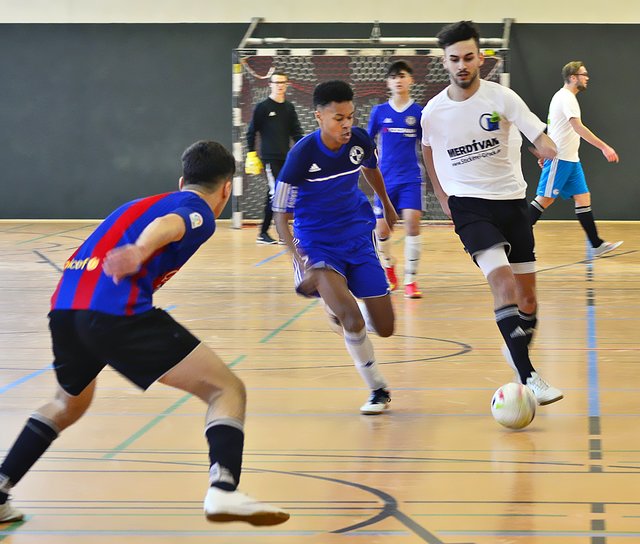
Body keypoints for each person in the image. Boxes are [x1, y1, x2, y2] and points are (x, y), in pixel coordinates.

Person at [0, 141, 289, 526]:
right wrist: (140, 250)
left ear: (182, 179)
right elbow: (172, 225)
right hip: (114, 311)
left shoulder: (139, 203)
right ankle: (223, 491)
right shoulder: (198, 208)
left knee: (67, 403)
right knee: (226, 389)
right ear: (225, 190)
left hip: (65, 310)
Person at [420, 20, 563, 405]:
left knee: (528, 300)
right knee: (503, 284)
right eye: (454, 59)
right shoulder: (433, 112)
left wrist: (548, 147)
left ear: (480, 58)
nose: (462, 65)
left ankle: (515, 352)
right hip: (469, 205)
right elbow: (428, 150)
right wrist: (442, 196)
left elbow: (539, 134)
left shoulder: (504, 99)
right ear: (444, 62)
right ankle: (529, 375)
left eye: (468, 57)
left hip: (512, 203)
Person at [272, 80, 399, 415]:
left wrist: (385, 204)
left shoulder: (358, 141)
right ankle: (377, 389)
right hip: (317, 244)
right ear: (319, 117)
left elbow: (371, 169)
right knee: (352, 319)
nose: (346, 124)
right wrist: (297, 257)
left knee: (385, 328)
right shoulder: (301, 156)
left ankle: (340, 306)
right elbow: (280, 214)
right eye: (338, 118)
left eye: (350, 117)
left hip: (358, 235)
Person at [529, 61, 622, 257]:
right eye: (583, 74)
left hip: (571, 160)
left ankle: (596, 244)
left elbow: (554, 128)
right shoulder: (566, 97)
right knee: (544, 200)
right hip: (560, 158)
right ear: (573, 78)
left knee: (583, 198)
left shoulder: (565, 97)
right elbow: (577, 127)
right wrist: (604, 147)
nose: (587, 77)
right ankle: (518, 239)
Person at [368, 60, 425, 299]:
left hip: (411, 178)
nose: (398, 80)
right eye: (393, 76)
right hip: (385, 179)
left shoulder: (419, 112)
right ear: (388, 83)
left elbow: (428, 144)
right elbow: (367, 142)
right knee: (382, 231)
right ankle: (388, 268)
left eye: (402, 76)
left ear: (410, 80)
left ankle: (411, 280)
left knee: (412, 223)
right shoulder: (379, 112)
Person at [245, 71, 303, 245]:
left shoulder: (289, 108)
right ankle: (279, 233)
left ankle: (263, 233)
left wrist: (306, 148)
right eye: (276, 82)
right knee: (277, 193)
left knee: (277, 194)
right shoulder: (263, 107)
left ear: (286, 85)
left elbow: (296, 132)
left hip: (286, 158)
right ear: (270, 84)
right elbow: (251, 131)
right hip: (269, 158)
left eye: (282, 82)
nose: (279, 85)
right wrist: (251, 153)